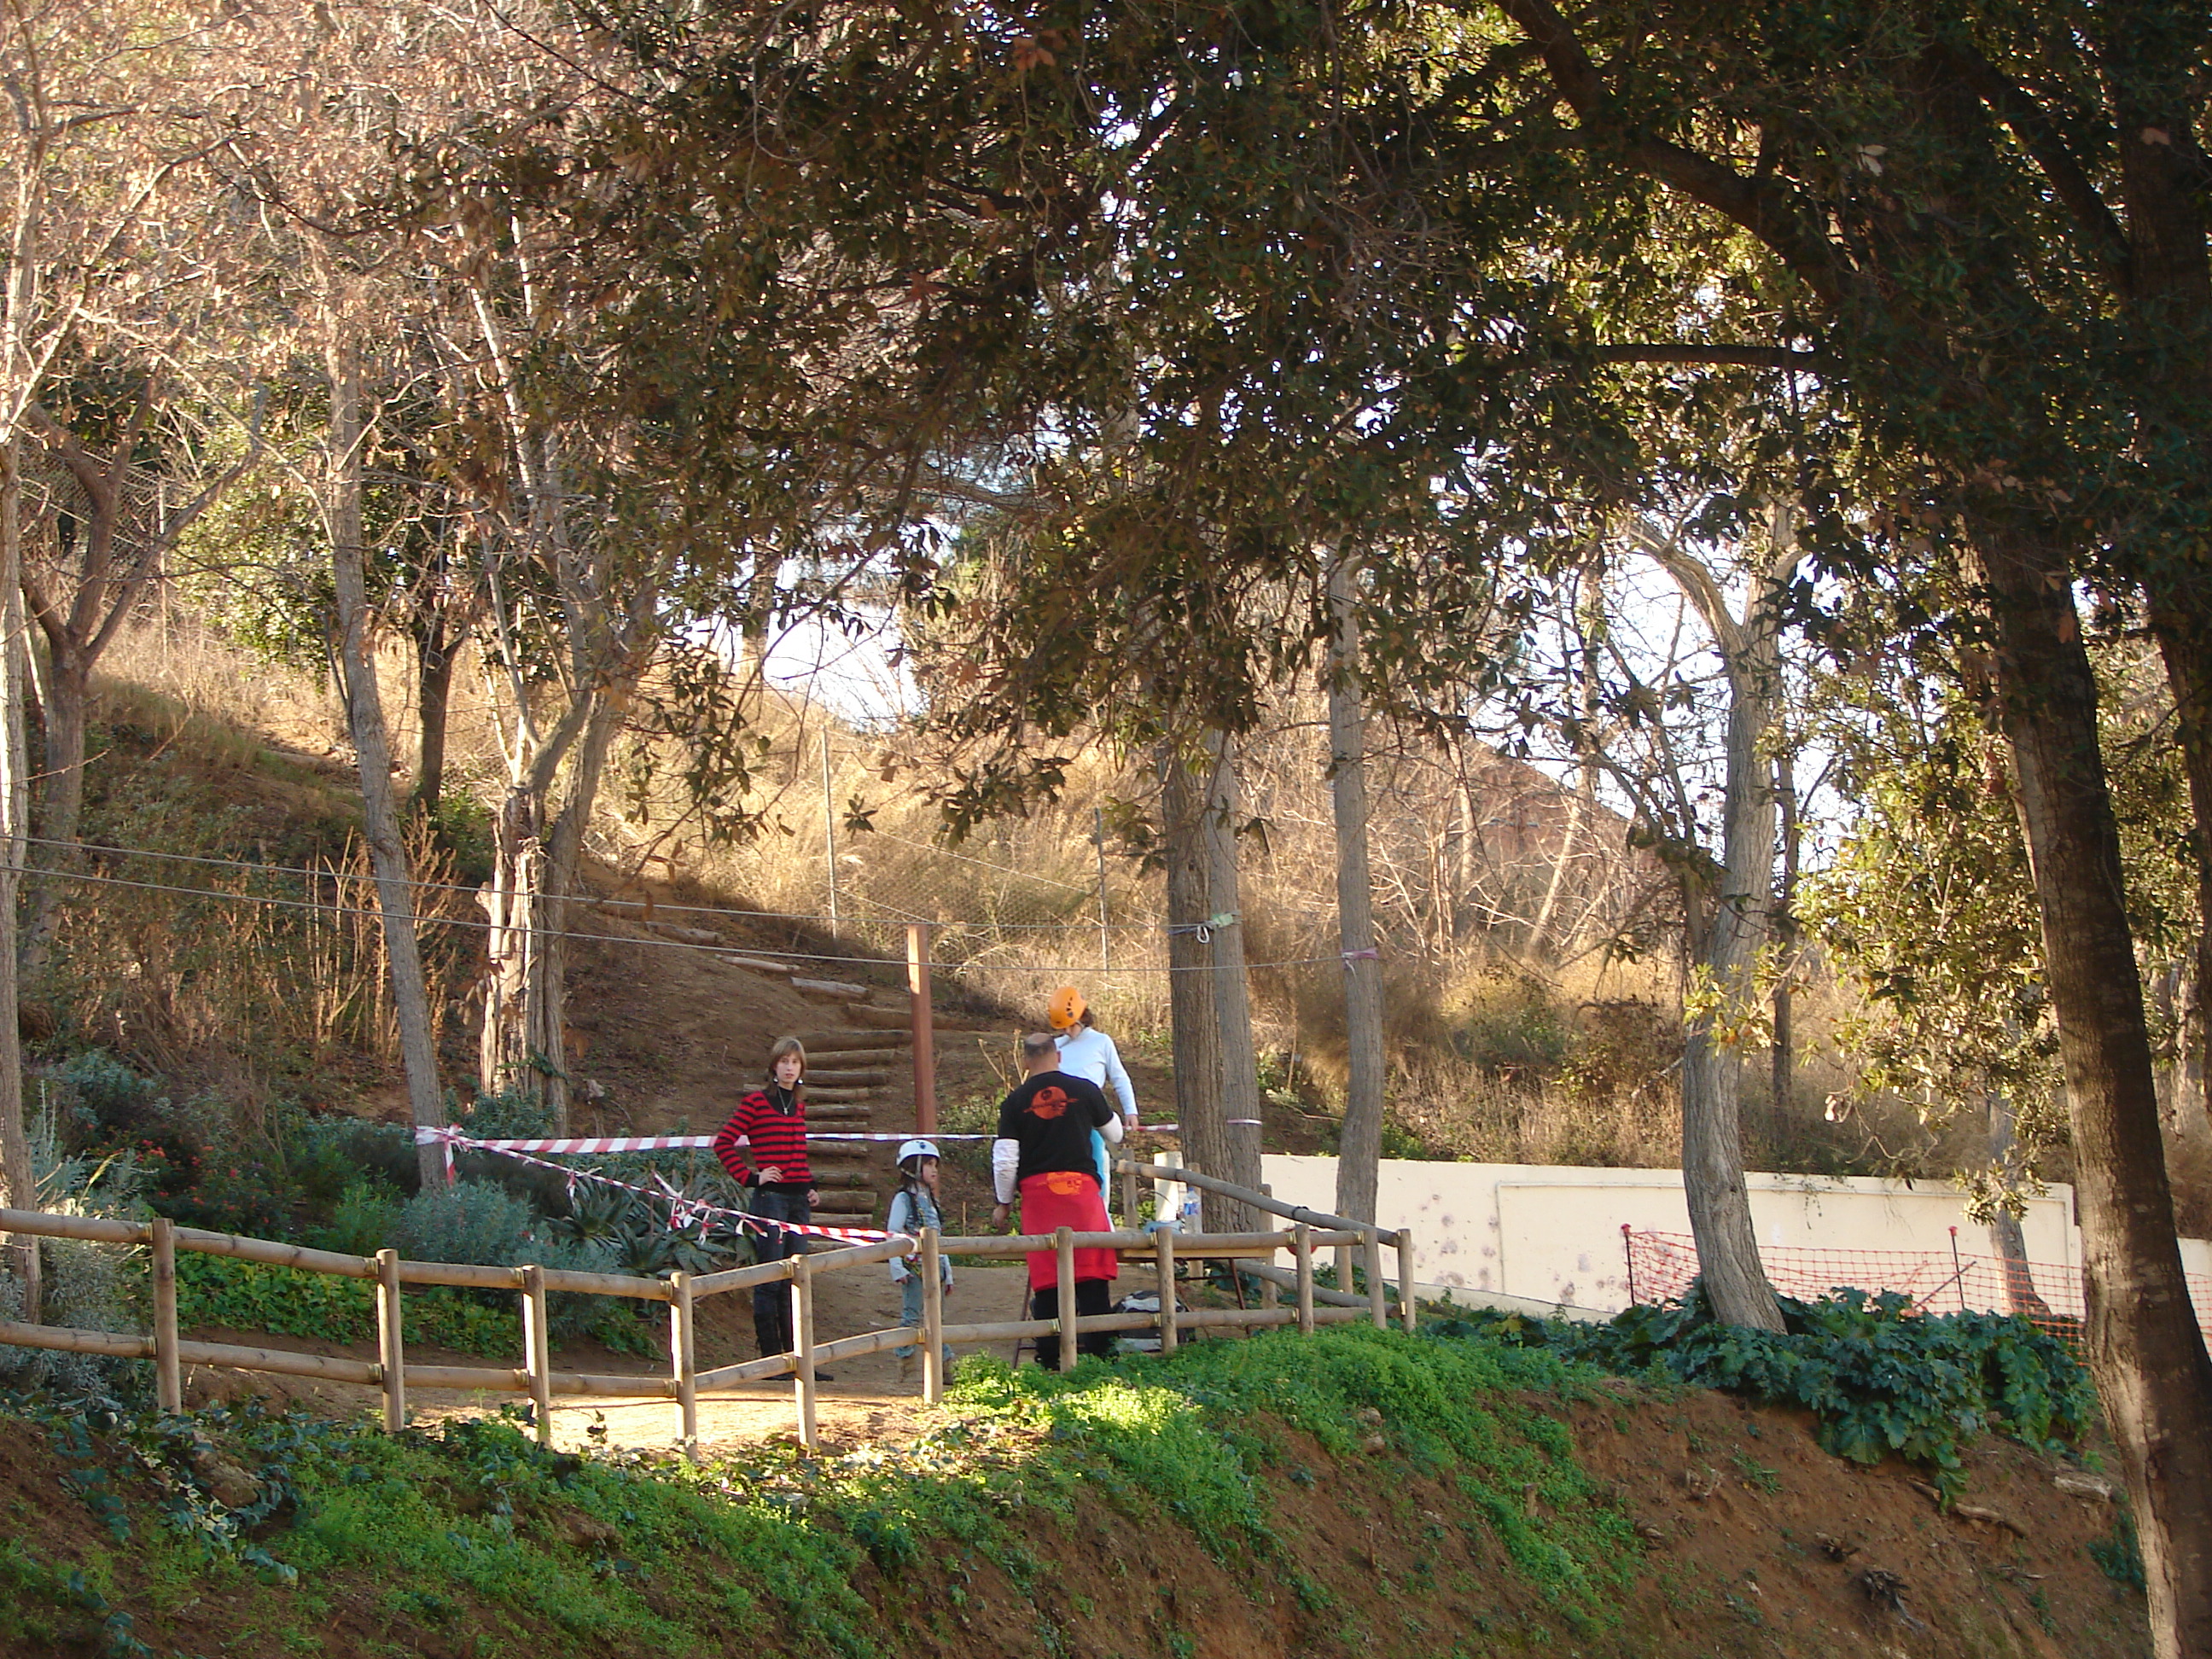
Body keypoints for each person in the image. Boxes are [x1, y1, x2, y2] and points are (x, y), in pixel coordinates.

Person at [992, 1031, 1123, 1368]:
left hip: (1039, 1196)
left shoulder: (1014, 1102)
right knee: (1092, 1273)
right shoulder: (1085, 1090)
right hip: (1081, 1192)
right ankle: (1102, 1356)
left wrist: (1004, 1203)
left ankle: (1049, 1357)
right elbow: (1115, 1133)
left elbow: (1005, 1161)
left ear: (1026, 1061)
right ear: (1059, 1056)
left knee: (1048, 1277)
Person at [713, 1036, 830, 1373]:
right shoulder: (756, 1102)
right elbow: (724, 1143)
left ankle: (797, 1359)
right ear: (774, 1066)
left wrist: (810, 1186)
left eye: (795, 1062)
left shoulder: (798, 1105)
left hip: (798, 1201)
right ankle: (770, 1359)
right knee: (771, 1277)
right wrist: (751, 1177)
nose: (790, 1068)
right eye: (784, 1061)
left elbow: (797, 1155)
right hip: (771, 1199)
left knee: (796, 1278)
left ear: (801, 1068)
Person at [1048, 987, 1140, 1204]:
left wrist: (1131, 1111)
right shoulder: (1056, 1046)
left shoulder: (1101, 1042)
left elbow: (1119, 1077)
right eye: (1063, 1028)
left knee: (1096, 1167)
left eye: (1071, 1026)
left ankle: (1100, 1212)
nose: (1068, 1032)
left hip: (1091, 1116)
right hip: (1059, 1118)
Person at [887, 1138, 955, 1383]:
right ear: (913, 1167)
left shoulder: (930, 1199)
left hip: (937, 1266)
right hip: (914, 1267)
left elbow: (938, 1237)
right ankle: (906, 1366)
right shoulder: (904, 1199)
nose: (934, 1170)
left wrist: (948, 1271)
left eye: (935, 1165)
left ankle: (943, 1366)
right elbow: (893, 1233)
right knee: (912, 1316)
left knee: (936, 1318)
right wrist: (896, 1266)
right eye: (928, 1164)